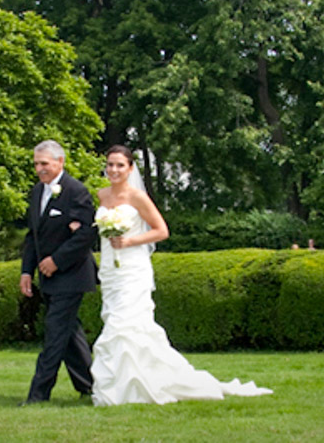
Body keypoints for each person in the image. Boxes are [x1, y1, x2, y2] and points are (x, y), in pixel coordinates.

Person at [90, 145, 273, 405]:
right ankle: (122, 386)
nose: (114, 170)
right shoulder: (102, 195)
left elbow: (161, 230)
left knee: (125, 324)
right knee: (114, 323)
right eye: (110, 164)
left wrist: (130, 242)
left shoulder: (137, 197)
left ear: (130, 168)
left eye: (120, 165)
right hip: (111, 269)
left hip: (133, 268)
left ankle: (133, 388)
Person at [19, 140, 98, 405]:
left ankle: (38, 396)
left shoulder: (76, 191)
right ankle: (90, 385)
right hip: (48, 277)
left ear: (60, 162)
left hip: (72, 275)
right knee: (69, 334)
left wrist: (57, 260)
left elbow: (87, 233)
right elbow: (34, 236)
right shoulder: (36, 192)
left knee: (54, 333)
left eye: (45, 164)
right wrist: (26, 271)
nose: (40, 169)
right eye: (36, 164)